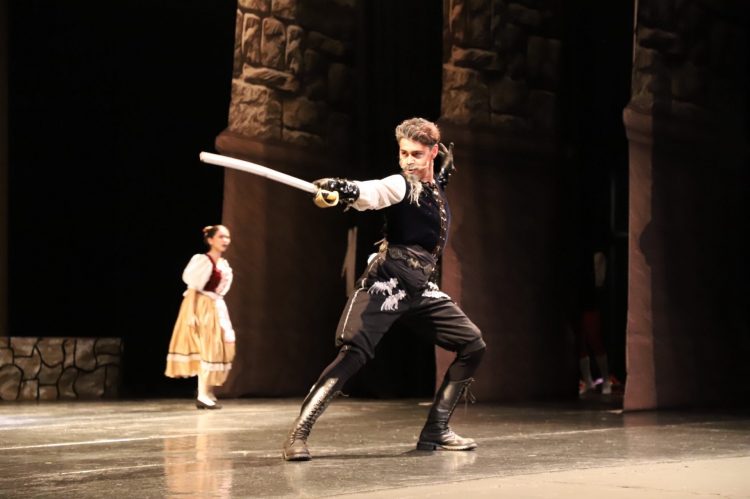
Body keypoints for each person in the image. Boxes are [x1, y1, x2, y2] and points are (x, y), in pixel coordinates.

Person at [282, 117, 486, 461]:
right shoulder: (399, 184)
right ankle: (298, 434)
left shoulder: (433, 188)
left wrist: (441, 174)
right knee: (353, 354)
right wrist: (343, 189)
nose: (408, 161)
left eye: (416, 154)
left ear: (433, 152)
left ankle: (436, 430)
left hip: (420, 289)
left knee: (473, 344)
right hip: (386, 283)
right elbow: (373, 192)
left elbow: (432, 185)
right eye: (403, 153)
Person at [165, 225, 236, 409]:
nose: (225, 240)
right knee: (207, 348)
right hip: (201, 306)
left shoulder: (223, 264)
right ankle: (202, 394)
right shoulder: (203, 260)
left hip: (215, 306)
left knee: (217, 347)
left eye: (227, 237)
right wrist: (190, 314)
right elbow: (193, 289)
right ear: (210, 240)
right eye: (221, 236)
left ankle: (207, 391)